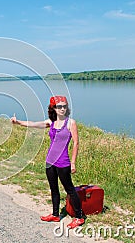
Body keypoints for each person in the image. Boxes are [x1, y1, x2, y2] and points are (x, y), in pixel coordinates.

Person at [10, 95, 85, 229]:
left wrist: (73, 163)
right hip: (50, 162)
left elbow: (76, 143)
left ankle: (79, 217)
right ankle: (55, 214)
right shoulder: (51, 122)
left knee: (70, 189)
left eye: (64, 106)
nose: (62, 109)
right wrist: (18, 122)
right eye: (59, 106)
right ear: (53, 108)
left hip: (63, 163)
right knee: (53, 188)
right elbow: (33, 124)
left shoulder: (70, 123)